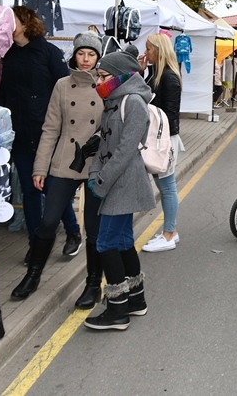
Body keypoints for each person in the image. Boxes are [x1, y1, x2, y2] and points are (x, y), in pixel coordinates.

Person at [10, 33, 104, 304]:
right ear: (73, 55)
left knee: (94, 229)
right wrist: (40, 167)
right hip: (65, 161)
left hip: (96, 163)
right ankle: (33, 275)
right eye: (81, 53)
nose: (86, 60)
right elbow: (50, 129)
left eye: (91, 54)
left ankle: (93, 284)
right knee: (49, 220)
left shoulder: (106, 84)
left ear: (98, 57)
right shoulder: (62, 85)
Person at [0, 6, 81, 262]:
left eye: (12, 20)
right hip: (19, 133)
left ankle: (73, 232)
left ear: (25, 22)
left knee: (52, 189)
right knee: (30, 190)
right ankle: (35, 246)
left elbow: (66, 91)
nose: (8, 25)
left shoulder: (49, 53)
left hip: (47, 133)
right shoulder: (7, 53)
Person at [84, 48, 157, 331]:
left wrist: (100, 183)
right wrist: (93, 173)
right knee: (124, 240)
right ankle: (136, 300)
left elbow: (126, 150)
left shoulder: (133, 102)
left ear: (120, 77)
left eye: (102, 75)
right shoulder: (114, 101)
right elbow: (104, 144)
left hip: (122, 182)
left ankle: (117, 311)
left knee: (106, 243)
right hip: (115, 180)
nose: (98, 81)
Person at [140, 33, 184, 253]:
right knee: (165, 186)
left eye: (148, 48)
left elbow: (169, 113)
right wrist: (142, 71)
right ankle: (171, 232)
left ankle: (168, 234)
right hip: (160, 138)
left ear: (158, 50)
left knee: (167, 187)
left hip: (164, 140)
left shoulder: (168, 77)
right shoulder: (157, 74)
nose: (145, 52)